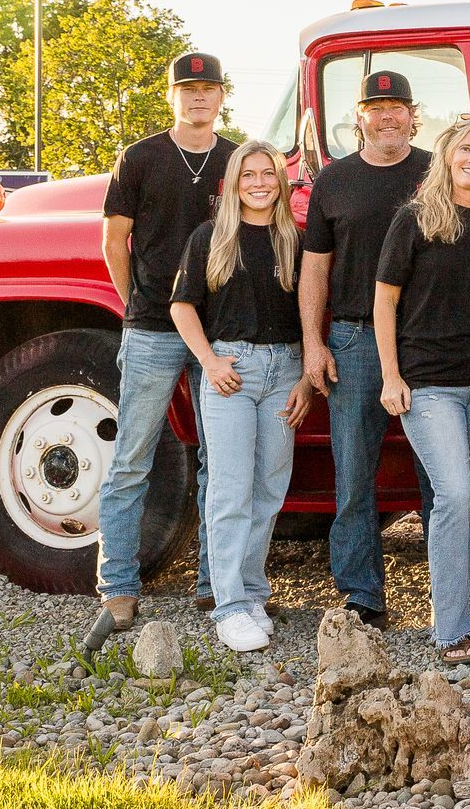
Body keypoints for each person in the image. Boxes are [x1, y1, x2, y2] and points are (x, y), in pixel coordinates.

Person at [93, 51, 237, 636]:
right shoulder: (141, 157)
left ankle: (213, 584)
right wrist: (136, 306)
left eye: (208, 88)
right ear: (172, 94)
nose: (198, 96)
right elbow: (113, 242)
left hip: (219, 329)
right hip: (152, 326)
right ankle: (118, 589)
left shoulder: (237, 159)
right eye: (188, 88)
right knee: (133, 458)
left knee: (218, 458)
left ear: (221, 96)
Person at [376, 115, 470, 664]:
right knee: (453, 496)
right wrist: (391, 374)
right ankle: (447, 630)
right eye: (467, 149)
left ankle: (465, 618)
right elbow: (384, 301)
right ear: (448, 155)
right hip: (427, 385)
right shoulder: (415, 219)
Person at [298, 70, 434, 628]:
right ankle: (362, 597)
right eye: (375, 107)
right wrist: (313, 343)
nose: (387, 117)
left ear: (412, 113)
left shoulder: (436, 172)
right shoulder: (334, 181)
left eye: (396, 107)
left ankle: (448, 594)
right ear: (359, 116)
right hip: (353, 341)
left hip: (426, 340)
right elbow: (314, 270)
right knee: (354, 476)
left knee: (439, 475)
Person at [169, 141, 316, 652]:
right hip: (231, 370)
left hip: (285, 371)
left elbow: (308, 315)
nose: (258, 183)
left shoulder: (293, 241)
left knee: (268, 491)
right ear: (233, 183)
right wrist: (208, 362)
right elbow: (182, 307)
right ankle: (228, 606)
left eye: (268, 174)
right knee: (229, 490)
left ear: (280, 182)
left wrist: (305, 380)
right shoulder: (210, 238)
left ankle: (253, 594)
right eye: (248, 174)